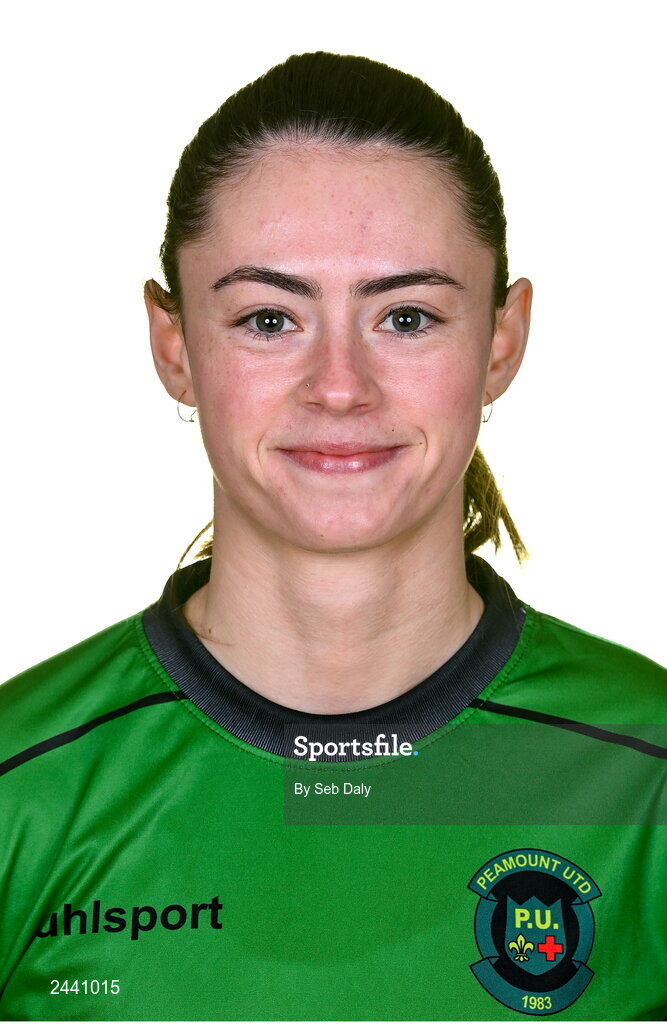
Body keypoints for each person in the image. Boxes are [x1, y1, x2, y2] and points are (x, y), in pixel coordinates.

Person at [0, 51, 664, 1022]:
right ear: (175, 344)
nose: (340, 385)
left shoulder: (644, 772)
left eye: (406, 315)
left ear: (502, 339)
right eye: (269, 317)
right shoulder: (25, 786)